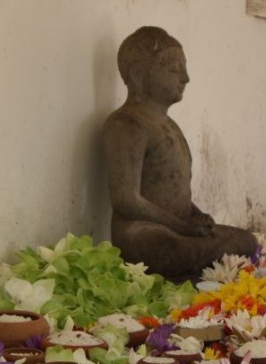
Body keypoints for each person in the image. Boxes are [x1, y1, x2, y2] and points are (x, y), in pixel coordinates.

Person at [103, 26, 258, 279]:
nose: (185, 78)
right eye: (174, 69)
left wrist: (196, 216)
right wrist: (181, 227)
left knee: (246, 240)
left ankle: (200, 265)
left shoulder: (169, 125)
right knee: (173, 250)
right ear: (139, 75)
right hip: (143, 233)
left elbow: (173, 189)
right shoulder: (126, 124)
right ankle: (194, 270)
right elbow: (125, 199)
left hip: (178, 229)